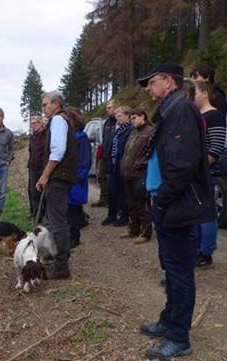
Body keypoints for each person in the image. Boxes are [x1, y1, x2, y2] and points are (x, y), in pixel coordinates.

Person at [138, 63, 215, 359]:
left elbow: (182, 165)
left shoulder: (180, 109)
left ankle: (178, 337)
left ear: (168, 82)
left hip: (177, 204)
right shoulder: (172, 109)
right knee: (171, 267)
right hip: (170, 202)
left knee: (180, 270)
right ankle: (170, 320)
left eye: (151, 82)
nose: (147, 88)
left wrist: (164, 199)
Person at [36, 91, 78, 279]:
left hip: (58, 177)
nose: (43, 108)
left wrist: (45, 175)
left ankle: (62, 266)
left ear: (55, 104)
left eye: (45, 104)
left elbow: (58, 151)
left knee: (57, 221)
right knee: (56, 219)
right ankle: (58, 260)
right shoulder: (61, 120)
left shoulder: (58, 121)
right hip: (60, 177)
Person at [193, 80, 226, 267]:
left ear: (205, 93)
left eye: (195, 93)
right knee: (196, 212)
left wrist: (201, 167)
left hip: (207, 173)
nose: (192, 97)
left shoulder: (215, 116)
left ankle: (206, 251)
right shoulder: (196, 115)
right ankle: (197, 248)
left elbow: (216, 147)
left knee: (207, 213)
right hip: (194, 173)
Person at [120, 108, 154, 244]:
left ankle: (146, 232)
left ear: (142, 117)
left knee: (142, 203)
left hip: (141, 174)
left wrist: (141, 163)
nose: (132, 121)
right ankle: (134, 228)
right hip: (128, 173)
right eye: (131, 118)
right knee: (131, 203)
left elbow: (151, 153)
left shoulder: (150, 132)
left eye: (134, 118)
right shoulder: (133, 132)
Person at [63, 107, 91, 248]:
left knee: (74, 209)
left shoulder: (81, 138)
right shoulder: (69, 137)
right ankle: (70, 235)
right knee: (68, 210)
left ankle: (75, 237)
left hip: (75, 180)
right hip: (68, 179)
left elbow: (85, 161)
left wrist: (79, 176)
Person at [103, 105, 133, 227]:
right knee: (112, 191)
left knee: (122, 192)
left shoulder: (130, 130)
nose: (117, 118)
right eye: (116, 115)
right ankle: (112, 215)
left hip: (122, 165)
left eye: (119, 115)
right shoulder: (118, 130)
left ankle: (124, 216)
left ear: (127, 116)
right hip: (113, 164)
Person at [92, 100, 118, 207]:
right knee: (101, 177)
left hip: (114, 155)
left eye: (110, 107)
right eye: (107, 107)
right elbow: (103, 138)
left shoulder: (119, 121)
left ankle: (113, 202)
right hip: (104, 154)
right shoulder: (106, 122)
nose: (107, 110)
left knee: (112, 180)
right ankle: (103, 199)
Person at [27, 115, 47, 222]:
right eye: (32, 124)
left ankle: (45, 215)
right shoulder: (32, 137)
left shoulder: (46, 135)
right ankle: (36, 215)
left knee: (44, 193)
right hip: (33, 167)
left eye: (35, 123)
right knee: (33, 192)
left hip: (43, 168)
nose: (33, 125)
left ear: (41, 123)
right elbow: (31, 151)